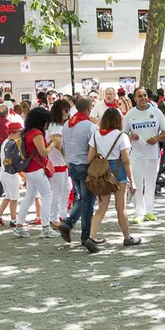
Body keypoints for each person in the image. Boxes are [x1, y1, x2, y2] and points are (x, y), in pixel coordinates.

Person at [84, 109, 141, 253]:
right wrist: (132, 181)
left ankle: (91, 237)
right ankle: (127, 237)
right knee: (120, 208)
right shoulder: (121, 136)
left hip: (102, 174)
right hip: (118, 174)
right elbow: (126, 161)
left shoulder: (96, 135)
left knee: (101, 208)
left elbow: (89, 159)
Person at [11, 108, 60, 238]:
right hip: (36, 169)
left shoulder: (26, 133)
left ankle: (19, 225)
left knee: (29, 197)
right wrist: (54, 143)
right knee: (47, 196)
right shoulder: (37, 133)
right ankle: (46, 228)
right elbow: (43, 152)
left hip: (28, 170)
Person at [124, 88, 165, 223]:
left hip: (152, 153)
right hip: (136, 154)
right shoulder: (130, 114)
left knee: (150, 183)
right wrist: (130, 136)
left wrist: (156, 138)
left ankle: (149, 211)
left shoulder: (156, 112)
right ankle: (138, 213)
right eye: (140, 96)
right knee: (137, 183)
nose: (143, 98)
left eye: (145, 95)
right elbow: (123, 133)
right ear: (135, 99)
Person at [55, 98, 98, 245]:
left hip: (72, 165)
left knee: (82, 199)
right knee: (88, 203)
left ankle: (68, 224)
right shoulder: (89, 126)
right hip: (85, 166)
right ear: (88, 108)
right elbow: (95, 145)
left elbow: (64, 146)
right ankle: (86, 236)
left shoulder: (67, 124)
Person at [46, 100, 73, 226]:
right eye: (65, 110)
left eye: (68, 109)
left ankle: (62, 214)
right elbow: (58, 144)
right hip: (56, 163)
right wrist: (68, 158)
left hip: (62, 162)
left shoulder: (61, 124)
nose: (68, 113)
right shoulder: (55, 126)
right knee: (56, 191)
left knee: (66, 188)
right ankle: (53, 217)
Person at [0, 123, 22, 228]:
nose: (20, 135)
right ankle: (14, 220)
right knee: (14, 198)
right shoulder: (12, 144)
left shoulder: (5, 143)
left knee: (8, 196)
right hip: (10, 174)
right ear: (12, 133)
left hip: (3, 173)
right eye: (18, 133)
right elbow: (14, 160)